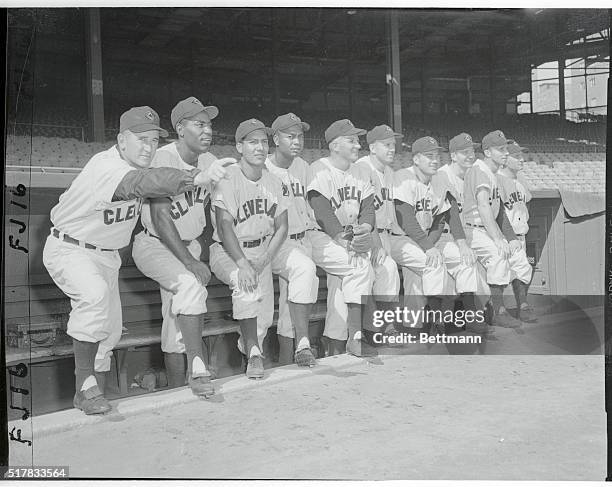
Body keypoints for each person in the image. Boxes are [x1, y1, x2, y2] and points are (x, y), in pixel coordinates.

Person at [43, 106, 228, 414]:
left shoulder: (142, 165)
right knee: (93, 297)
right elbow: (139, 185)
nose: (148, 147)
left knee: (109, 331)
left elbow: (150, 180)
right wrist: (197, 177)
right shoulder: (105, 165)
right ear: (121, 139)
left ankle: (95, 396)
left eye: (154, 140)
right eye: (140, 139)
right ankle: (84, 388)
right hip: (70, 249)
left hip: (106, 255)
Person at [132, 97, 236, 397]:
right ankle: (198, 366)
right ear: (180, 128)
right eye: (199, 124)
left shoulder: (208, 161)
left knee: (175, 317)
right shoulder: (162, 157)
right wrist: (191, 263)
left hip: (187, 246)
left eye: (210, 125)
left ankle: (177, 389)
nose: (208, 131)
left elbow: (219, 212)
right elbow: (161, 218)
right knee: (191, 287)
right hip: (156, 244)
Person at [209, 118, 289, 379]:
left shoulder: (273, 181)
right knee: (246, 287)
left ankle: (251, 349)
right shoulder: (228, 177)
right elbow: (224, 226)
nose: (260, 147)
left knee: (264, 317)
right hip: (228, 251)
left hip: (260, 250)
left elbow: (282, 226)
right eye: (252, 142)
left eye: (264, 142)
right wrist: (242, 264)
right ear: (239, 147)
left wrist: (265, 259)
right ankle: (254, 353)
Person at [390, 136, 482, 332]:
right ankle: (434, 322)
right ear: (415, 159)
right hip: (401, 239)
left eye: (437, 156)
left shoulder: (440, 178)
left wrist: (461, 244)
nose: (435, 160)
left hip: (427, 238)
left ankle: (470, 316)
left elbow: (445, 215)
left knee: (465, 259)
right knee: (433, 265)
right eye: (429, 156)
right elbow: (404, 218)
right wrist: (429, 248)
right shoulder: (402, 176)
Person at [325, 124, 401, 338]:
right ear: (373, 147)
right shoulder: (362, 168)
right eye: (387, 144)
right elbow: (363, 213)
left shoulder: (388, 171)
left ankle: (376, 329)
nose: (392, 149)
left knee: (383, 272)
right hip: (355, 235)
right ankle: (351, 336)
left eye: (393, 145)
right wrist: (374, 244)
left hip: (379, 233)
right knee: (347, 287)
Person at [307, 119, 375, 356]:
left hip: (348, 235)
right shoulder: (319, 168)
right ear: (335, 145)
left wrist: (364, 231)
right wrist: (346, 241)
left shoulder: (360, 171)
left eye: (357, 140)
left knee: (340, 284)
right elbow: (322, 212)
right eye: (352, 140)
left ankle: (334, 344)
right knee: (358, 265)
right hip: (320, 236)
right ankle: (355, 336)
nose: (358, 144)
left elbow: (368, 209)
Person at [266, 113, 319, 367]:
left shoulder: (303, 167)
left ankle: (290, 361)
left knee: (293, 302)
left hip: (303, 238)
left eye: (300, 136)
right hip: (276, 242)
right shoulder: (264, 168)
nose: (297, 141)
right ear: (276, 139)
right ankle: (303, 344)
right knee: (304, 272)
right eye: (290, 136)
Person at [462, 130, 528, 328]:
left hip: (486, 228)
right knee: (498, 255)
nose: (505, 153)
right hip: (473, 229)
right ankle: (497, 311)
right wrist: (498, 239)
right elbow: (483, 207)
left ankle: (517, 305)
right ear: (487, 152)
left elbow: (498, 211)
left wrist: (510, 237)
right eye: (500, 149)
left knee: (519, 259)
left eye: (506, 148)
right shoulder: (479, 170)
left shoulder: (492, 172)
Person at [497, 141, 537, 322]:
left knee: (522, 271)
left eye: (522, 155)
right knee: (498, 274)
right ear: (505, 159)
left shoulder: (518, 181)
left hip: (520, 236)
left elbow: (528, 199)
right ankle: (498, 311)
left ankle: (523, 306)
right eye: (517, 156)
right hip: (504, 236)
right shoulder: (496, 180)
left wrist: (519, 175)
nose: (522, 159)